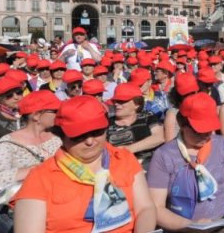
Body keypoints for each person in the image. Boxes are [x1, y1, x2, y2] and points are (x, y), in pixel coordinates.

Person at [13, 95, 156, 233]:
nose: (89, 141)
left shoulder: (124, 159)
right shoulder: (40, 178)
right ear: (61, 136)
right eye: (79, 136)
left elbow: (145, 208)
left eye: (97, 132)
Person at [146, 92, 224, 232]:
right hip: (186, 227)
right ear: (182, 124)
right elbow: (157, 208)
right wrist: (191, 225)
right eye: (199, 131)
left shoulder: (220, 144)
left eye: (209, 130)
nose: (205, 136)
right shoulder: (164, 156)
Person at [0, 91, 62, 194]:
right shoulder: (9, 143)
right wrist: (37, 169)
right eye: (55, 111)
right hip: (30, 201)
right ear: (37, 115)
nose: (59, 113)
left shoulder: (59, 135)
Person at [107, 83, 164, 169]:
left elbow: (160, 137)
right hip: (120, 169)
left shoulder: (148, 117)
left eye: (122, 101)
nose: (116, 104)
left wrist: (128, 149)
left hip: (149, 166)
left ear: (137, 104)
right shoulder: (107, 123)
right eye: (115, 101)